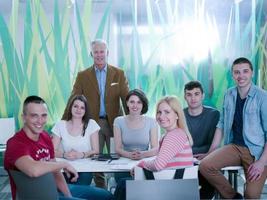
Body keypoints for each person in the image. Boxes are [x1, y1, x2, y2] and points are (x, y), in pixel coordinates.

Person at [4, 95, 114, 200]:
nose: (40, 121)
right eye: (34, 116)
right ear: (24, 117)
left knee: (106, 196)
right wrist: (64, 164)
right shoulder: (15, 143)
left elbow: (56, 171)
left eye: (44, 115)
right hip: (37, 196)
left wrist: (69, 197)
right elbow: (33, 170)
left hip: (54, 189)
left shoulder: (45, 137)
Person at [62, 39, 129, 188]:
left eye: (102, 51)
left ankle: (119, 189)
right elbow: (73, 99)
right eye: (96, 52)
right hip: (93, 124)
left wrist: (130, 121)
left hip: (114, 123)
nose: (99, 55)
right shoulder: (83, 75)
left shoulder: (119, 73)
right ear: (91, 54)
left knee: (117, 158)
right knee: (95, 158)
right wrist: (63, 123)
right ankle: (102, 190)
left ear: (107, 53)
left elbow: (126, 99)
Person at [199, 57, 267, 199]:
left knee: (251, 195)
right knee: (205, 166)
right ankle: (234, 197)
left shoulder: (262, 97)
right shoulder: (229, 94)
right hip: (234, 147)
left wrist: (261, 162)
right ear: (232, 75)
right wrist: (210, 152)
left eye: (245, 71)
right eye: (237, 72)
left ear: (252, 73)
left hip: (257, 151)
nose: (241, 76)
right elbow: (222, 124)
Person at [113, 89, 159, 200]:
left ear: (143, 105)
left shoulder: (151, 121)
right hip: (124, 164)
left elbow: (156, 148)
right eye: (132, 102)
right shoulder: (118, 121)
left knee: (137, 183)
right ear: (127, 103)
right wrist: (129, 155)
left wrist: (143, 154)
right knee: (124, 184)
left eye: (139, 102)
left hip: (144, 162)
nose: (135, 105)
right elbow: (118, 148)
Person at [52, 95, 99, 185]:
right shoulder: (60, 125)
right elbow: (52, 151)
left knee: (78, 190)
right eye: (76, 106)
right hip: (64, 168)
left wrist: (81, 154)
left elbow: (96, 151)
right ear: (70, 107)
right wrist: (64, 154)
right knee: (66, 191)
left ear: (85, 111)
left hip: (85, 169)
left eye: (82, 107)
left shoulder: (91, 124)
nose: (78, 110)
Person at [183, 80, 220, 199]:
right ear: (185, 97)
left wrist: (200, 153)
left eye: (196, 94)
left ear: (203, 96)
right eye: (189, 94)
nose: (193, 98)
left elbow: (212, 144)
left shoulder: (214, 114)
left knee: (208, 185)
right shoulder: (179, 116)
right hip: (185, 161)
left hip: (206, 160)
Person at [137, 96, 194, 171]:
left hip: (174, 182)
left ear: (177, 115)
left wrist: (142, 164)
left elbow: (158, 165)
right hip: (174, 180)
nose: (161, 116)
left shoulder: (174, 136)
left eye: (167, 112)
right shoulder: (177, 133)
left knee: (122, 180)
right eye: (159, 112)